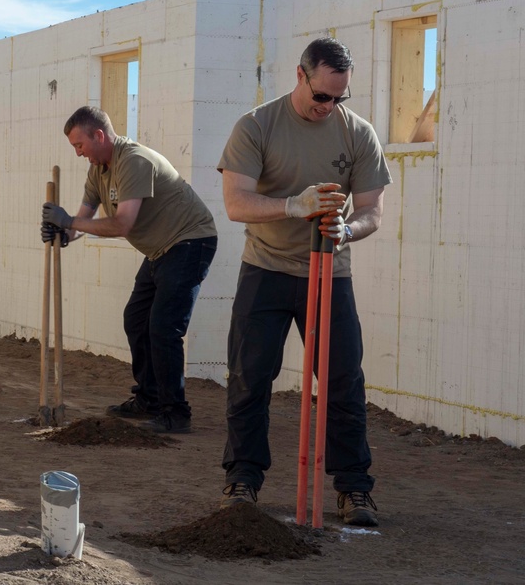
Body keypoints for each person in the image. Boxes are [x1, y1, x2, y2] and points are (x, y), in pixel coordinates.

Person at [216, 37, 392, 526]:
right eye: (321, 96)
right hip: (266, 269)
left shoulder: (358, 134)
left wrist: (346, 230)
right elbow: (236, 203)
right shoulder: (257, 126)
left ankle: (354, 489)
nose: (329, 107)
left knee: (342, 383)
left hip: (329, 274)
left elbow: (374, 210)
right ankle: (243, 480)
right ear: (300, 76)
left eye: (339, 98)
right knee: (249, 379)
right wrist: (293, 205)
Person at [41, 106, 218, 434]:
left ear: (98, 135)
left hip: (190, 242)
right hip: (159, 250)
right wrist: (62, 233)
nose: (78, 153)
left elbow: (122, 224)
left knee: (164, 328)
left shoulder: (132, 160)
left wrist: (70, 221)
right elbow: (83, 220)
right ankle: (149, 398)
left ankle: (175, 413)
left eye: (79, 145)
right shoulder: (98, 170)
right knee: (136, 319)